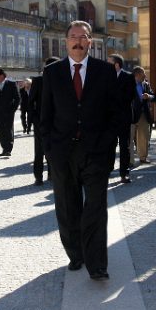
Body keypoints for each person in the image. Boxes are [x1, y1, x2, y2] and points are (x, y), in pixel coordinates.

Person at [40, 20, 120, 281]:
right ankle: (76, 254)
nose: (78, 41)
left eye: (83, 37)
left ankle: (97, 263)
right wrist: (49, 151)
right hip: (63, 153)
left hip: (96, 152)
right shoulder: (52, 73)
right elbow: (45, 116)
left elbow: (114, 114)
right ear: (66, 42)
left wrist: (107, 144)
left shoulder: (106, 72)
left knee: (96, 207)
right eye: (73, 37)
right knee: (67, 206)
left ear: (90, 42)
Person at [29, 57, 59, 185]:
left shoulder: (62, 80)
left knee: (54, 150)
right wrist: (34, 120)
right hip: (40, 122)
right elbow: (30, 103)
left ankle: (52, 175)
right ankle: (38, 176)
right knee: (39, 151)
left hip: (57, 122)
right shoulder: (38, 81)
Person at [107, 53, 135, 183]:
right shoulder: (104, 77)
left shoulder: (128, 77)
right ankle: (107, 170)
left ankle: (124, 173)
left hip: (123, 118)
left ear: (116, 64)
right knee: (109, 146)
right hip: (109, 119)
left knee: (125, 146)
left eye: (109, 62)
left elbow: (130, 96)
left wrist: (113, 95)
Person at [0, 68, 20, 156]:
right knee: (1, 131)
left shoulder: (11, 84)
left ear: (2, 75)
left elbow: (17, 98)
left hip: (9, 112)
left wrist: (12, 110)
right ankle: (4, 149)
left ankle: (8, 149)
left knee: (8, 130)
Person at [131, 66, 155, 165]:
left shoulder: (146, 85)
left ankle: (143, 157)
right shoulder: (128, 84)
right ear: (136, 75)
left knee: (144, 137)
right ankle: (129, 161)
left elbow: (153, 96)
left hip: (144, 115)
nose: (145, 75)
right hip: (131, 115)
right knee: (129, 139)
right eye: (143, 73)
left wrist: (149, 96)